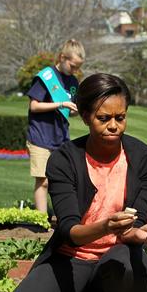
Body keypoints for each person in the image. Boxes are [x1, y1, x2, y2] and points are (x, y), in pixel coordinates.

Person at [0, 73, 147, 292]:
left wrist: (144, 233)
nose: (114, 125)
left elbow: (134, 227)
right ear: (86, 116)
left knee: (135, 265)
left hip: (115, 260)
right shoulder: (64, 160)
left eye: (120, 118)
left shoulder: (144, 159)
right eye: (104, 118)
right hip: (70, 260)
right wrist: (106, 226)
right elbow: (69, 231)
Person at [27, 39, 85, 213]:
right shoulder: (46, 77)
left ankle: (63, 216)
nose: (75, 70)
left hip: (61, 138)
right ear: (62, 57)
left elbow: (69, 110)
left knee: (62, 180)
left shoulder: (73, 82)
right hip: (40, 136)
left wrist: (77, 110)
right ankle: (41, 220)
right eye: (73, 65)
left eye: (78, 67)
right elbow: (34, 106)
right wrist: (61, 104)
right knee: (43, 180)